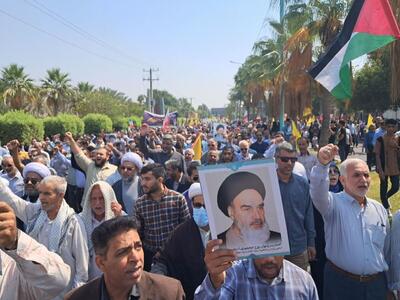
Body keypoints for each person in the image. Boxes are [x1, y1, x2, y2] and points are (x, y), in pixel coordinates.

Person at [310, 144, 389, 300]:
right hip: (342, 285)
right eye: (357, 175)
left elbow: (386, 250)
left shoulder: (379, 209)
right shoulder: (333, 204)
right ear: (343, 180)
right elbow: (317, 192)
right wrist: (322, 165)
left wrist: (392, 285)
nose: (363, 180)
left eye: (366, 175)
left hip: (376, 285)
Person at [0, 175, 89, 298]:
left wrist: (75, 294)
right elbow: (12, 201)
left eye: (47, 194)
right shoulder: (35, 213)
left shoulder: (73, 223)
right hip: (35, 289)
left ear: (61, 195)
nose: (41, 198)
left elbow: (82, 267)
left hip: (63, 293)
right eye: (40, 192)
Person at [65, 217, 185, 300]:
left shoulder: (170, 293)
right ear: (101, 263)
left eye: (138, 247)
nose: (136, 257)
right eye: (123, 252)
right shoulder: (77, 298)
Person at [194, 239, 318, 299]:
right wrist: (215, 280)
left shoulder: (304, 282)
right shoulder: (233, 275)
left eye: (275, 248)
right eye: (262, 250)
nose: (269, 259)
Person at [0, 202, 71, 300]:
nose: (43, 198)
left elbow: (59, 280)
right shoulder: (36, 216)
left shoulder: (15, 268)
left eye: (47, 193)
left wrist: (15, 242)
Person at [151, 183, 209, 300]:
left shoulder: (226, 230)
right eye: (197, 205)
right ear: (191, 205)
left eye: (206, 205)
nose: (201, 209)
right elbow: (162, 260)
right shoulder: (181, 232)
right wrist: (158, 280)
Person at [135, 163, 190, 271]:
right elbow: (139, 233)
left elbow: (186, 229)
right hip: (150, 256)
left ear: (160, 180)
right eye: (142, 179)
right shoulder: (140, 204)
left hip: (175, 255)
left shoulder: (178, 199)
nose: (143, 183)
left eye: (147, 179)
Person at [275, 142, 316, 271]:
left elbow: (308, 215)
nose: (289, 163)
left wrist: (311, 243)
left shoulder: (303, 183)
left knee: (299, 288)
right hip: (273, 248)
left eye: (293, 160)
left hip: (298, 248)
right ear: (276, 159)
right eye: (285, 159)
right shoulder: (267, 183)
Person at [217, 171, 281, 249]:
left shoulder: (277, 239)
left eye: (260, 207)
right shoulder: (218, 243)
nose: (257, 216)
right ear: (231, 212)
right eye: (247, 209)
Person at [310, 161, 343, 299]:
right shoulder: (315, 196)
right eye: (329, 172)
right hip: (320, 240)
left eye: (336, 171)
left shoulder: (347, 194)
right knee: (320, 275)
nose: (333, 174)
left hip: (339, 242)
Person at [79, 181, 124, 280]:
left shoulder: (120, 216)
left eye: (101, 198)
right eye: (94, 199)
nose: (97, 203)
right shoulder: (79, 220)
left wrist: (118, 219)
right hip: (89, 275)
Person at [64, 132, 117, 205]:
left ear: (107, 157)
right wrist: (71, 139)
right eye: (97, 154)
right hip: (88, 205)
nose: (98, 156)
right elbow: (79, 154)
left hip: (106, 205)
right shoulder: (90, 166)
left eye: (101, 154)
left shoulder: (114, 170)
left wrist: (113, 149)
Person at [374, 118, 399, 215]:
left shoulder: (397, 138)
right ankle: (386, 208)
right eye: (389, 126)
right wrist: (380, 170)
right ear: (385, 127)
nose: (391, 128)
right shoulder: (380, 139)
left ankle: (385, 198)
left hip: (395, 167)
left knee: (396, 187)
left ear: (396, 127)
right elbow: (377, 155)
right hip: (383, 167)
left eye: (393, 126)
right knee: (383, 187)